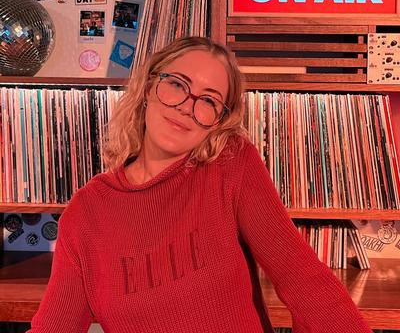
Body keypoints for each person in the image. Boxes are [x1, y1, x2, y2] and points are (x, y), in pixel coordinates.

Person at [27, 37, 372, 333]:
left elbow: (304, 281)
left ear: (219, 121)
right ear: (148, 87)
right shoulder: (86, 213)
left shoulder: (230, 164)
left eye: (208, 100)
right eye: (177, 84)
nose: (186, 107)